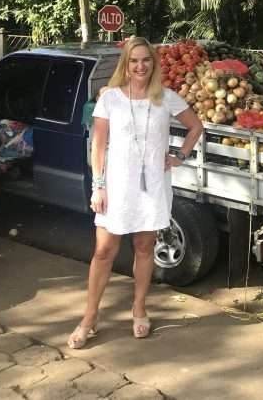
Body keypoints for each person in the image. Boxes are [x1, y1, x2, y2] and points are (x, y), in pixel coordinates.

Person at [67, 37, 204, 349]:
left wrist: (179, 156)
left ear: (153, 64)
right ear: (125, 65)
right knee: (104, 251)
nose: (140, 66)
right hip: (116, 186)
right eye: (134, 61)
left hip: (152, 186)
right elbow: (98, 146)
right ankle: (90, 317)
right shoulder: (110, 99)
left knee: (144, 248)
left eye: (146, 60)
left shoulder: (166, 98)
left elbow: (196, 127)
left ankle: (139, 308)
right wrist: (97, 187)